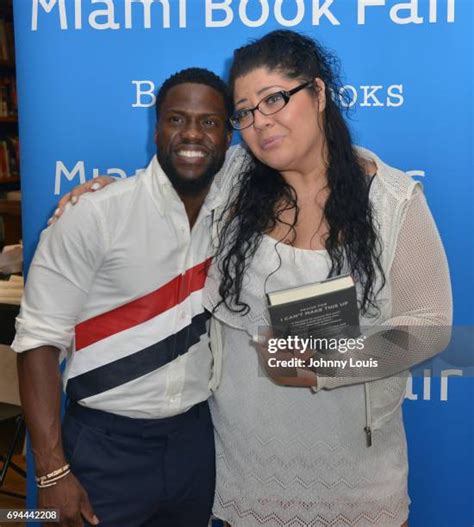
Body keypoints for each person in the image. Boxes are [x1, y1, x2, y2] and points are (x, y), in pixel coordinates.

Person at [52, 31, 451, 527]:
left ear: (320, 94)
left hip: (355, 470)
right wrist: (97, 196)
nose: (260, 122)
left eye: (275, 99)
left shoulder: (392, 200)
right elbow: (156, 200)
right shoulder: (233, 176)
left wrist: (325, 363)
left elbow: (429, 326)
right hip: (241, 464)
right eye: (244, 112)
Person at [12, 67, 236, 527]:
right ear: (156, 129)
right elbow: (37, 341)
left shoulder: (234, 217)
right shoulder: (94, 216)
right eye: (177, 119)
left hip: (195, 441)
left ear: (229, 135)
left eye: (209, 122)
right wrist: (52, 472)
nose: (192, 133)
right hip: (104, 446)